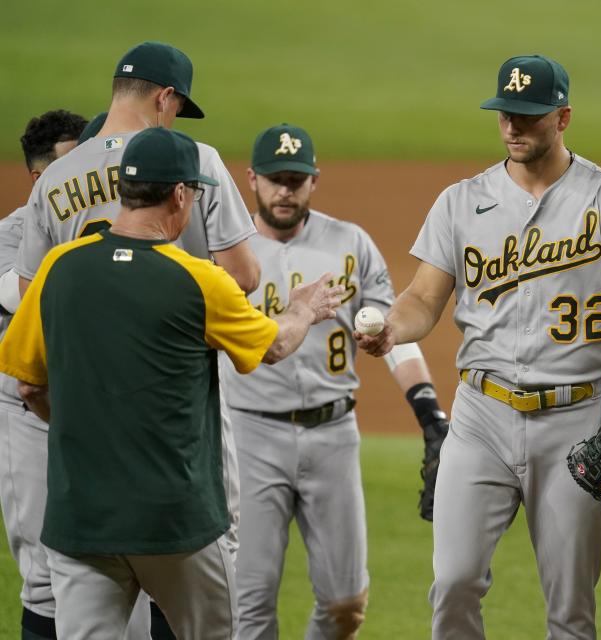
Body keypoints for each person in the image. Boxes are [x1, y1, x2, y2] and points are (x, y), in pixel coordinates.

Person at [356, 54, 601, 639]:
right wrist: (394, 327)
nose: (513, 127)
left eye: (528, 115)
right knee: (452, 582)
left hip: (574, 419)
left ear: (563, 117)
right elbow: (424, 298)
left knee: (572, 606)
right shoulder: (461, 201)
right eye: (505, 114)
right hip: (481, 418)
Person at [0, 127, 345, 640]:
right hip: (175, 523)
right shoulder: (200, 280)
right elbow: (273, 345)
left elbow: (28, 386)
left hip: (81, 519)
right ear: (181, 194)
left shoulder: (58, 267)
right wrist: (302, 309)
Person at [12, 41, 261, 636]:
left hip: (86, 412)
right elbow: (246, 276)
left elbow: (33, 300)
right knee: (201, 559)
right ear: (165, 96)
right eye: (176, 106)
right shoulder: (196, 161)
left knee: (83, 573)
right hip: (180, 411)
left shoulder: (55, 179)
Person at [220, 123, 450, 639]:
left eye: (296, 180)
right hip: (249, 437)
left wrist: (429, 412)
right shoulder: (229, 252)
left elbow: (392, 332)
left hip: (333, 437)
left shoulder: (349, 243)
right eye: (275, 179)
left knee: (346, 605)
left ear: (314, 181)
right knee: (249, 603)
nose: (285, 190)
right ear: (251, 179)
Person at [0, 109, 87, 640]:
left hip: (103, 408)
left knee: (141, 570)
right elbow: (29, 294)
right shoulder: (10, 235)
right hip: (28, 414)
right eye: (72, 165)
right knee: (44, 576)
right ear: (41, 180)